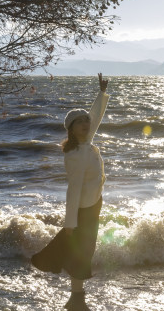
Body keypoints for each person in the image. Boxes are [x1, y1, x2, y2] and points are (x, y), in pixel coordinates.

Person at [32, 73, 109, 311]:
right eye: (80, 122)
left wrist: (101, 93)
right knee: (81, 254)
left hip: (93, 205)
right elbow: (72, 190)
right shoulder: (75, 155)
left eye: (86, 121)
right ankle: (76, 300)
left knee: (84, 252)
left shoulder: (86, 142)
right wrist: (69, 223)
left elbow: (95, 117)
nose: (86, 124)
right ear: (71, 129)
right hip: (83, 210)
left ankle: (76, 299)